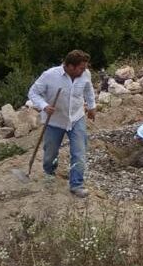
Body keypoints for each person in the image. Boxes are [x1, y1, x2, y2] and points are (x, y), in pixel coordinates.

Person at [28, 50, 96, 197]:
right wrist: (44, 106)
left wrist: (91, 107)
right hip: (54, 121)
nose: (84, 71)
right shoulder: (50, 75)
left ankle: (76, 185)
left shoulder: (85, 75)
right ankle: (49, 175)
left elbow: (89, 91)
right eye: (81, 68)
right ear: (70, 66)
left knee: (79, 152)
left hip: (76, 118)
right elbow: (33, 92)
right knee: (50, 153)